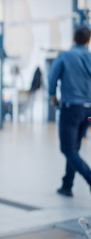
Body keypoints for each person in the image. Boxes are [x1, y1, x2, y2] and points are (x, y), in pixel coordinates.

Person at [48, 26, 91, 197]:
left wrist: (52, 95)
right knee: (74, 148)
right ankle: (67, 185)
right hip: (88, 111)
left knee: (68, 149)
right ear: (88, 41)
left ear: (73, 38)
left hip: (71, 109)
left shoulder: (65, 56)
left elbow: (52, 77)